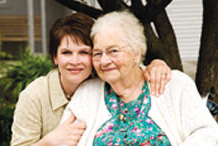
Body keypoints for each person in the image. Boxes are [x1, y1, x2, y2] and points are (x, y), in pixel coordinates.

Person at [11, 12, 171, 146]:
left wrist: (157, 64)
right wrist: (49, 142)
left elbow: (130, 67)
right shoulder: (34, 96)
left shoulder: (105, 79)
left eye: (84, 53)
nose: (75, 61)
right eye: (66, 53)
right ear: (55, 57)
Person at [61, 11, 218, 145]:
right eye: (97, 53)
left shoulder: (174, 85)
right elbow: (65, 141)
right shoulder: (86, 95)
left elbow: (207, 133)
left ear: (137, 53)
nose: (104, 61)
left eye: (113, 51)